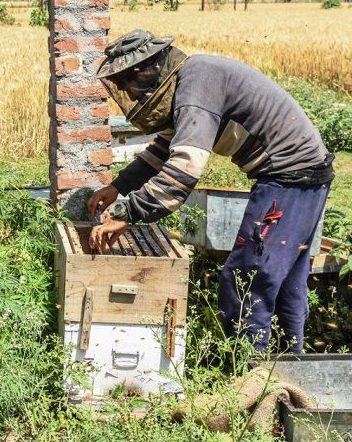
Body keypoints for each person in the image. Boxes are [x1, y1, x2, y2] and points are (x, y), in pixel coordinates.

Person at [87, 30, 333, 354]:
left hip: (291, 177)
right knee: (284, 280)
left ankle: (250, 376)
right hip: (300, 175)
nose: (129, 92)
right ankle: (290, 370)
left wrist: (127, 213)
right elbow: (163, 148)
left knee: (247, 279)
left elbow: (184, 168)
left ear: (147, 71)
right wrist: (117, 186)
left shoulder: (196, 84)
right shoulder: (192, 82)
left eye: (127, 83)